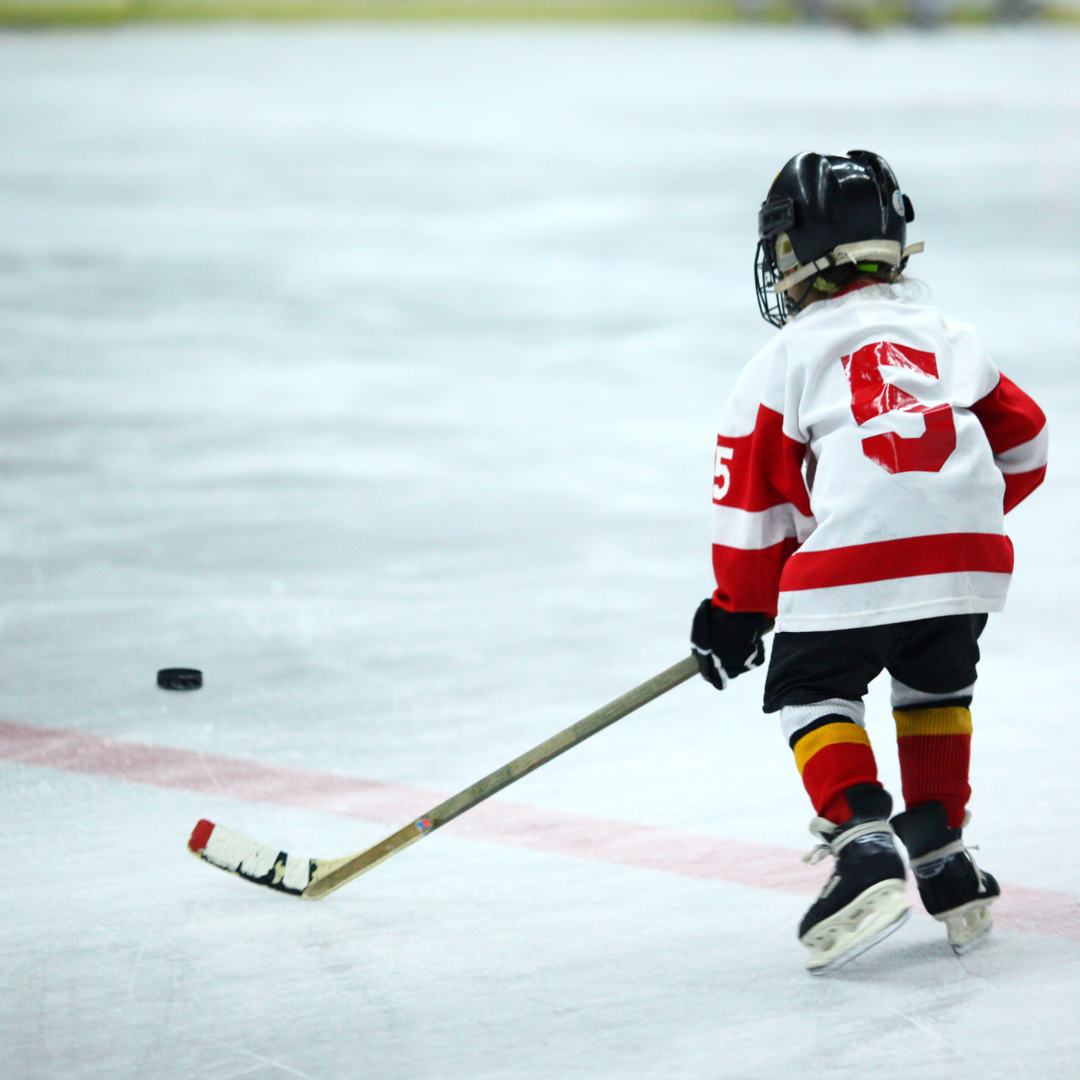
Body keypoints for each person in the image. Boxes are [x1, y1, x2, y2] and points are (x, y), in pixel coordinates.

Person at [690, 151, 1047, 973]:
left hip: (854, 563)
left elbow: (751, 502)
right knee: (935, 684)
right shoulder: (948, 336)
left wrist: (738, 609)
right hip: (964, 564)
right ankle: (942, 851)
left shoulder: (783, 360)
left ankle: (862, 847)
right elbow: (1025, 443)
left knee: (814, 688)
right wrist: (954, 512)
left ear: (797, 254)